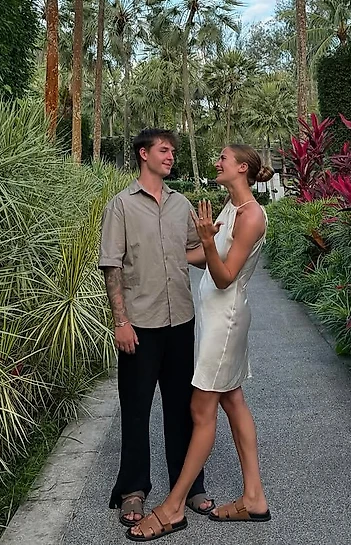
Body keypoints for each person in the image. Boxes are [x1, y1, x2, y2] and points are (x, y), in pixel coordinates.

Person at [127, 145, 273, 542]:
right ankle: (254, 497)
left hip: (226, 323)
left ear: (241, 168)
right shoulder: (231, 208)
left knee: (200, 409)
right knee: (233, 401)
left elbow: (225, 276)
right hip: (215, 321)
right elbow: (206, 258)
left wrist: (207, 240)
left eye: (223, 158)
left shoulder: (252, 215)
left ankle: (173, 507)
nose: (217, 162)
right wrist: (169, 249)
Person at [99, 129, 214, 528]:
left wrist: (208, 242)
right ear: (143, 154)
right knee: (136, 409)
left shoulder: (181, 204)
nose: (170, 156)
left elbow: (196, 253)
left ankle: (189, 485)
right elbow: (112, 265)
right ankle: (133, 489)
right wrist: (120, 321)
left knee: (182, 409)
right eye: (164, 150)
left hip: (180, 320)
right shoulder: (121, 206)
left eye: (173, 151)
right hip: (140, 326)